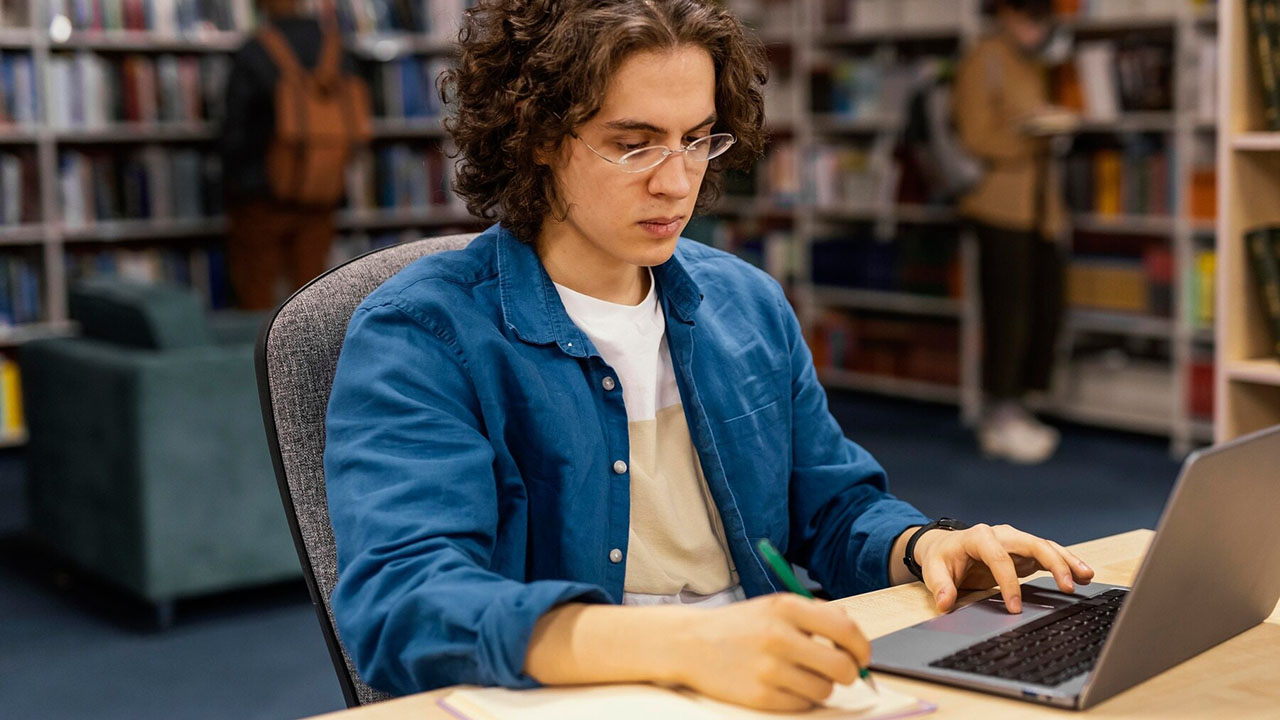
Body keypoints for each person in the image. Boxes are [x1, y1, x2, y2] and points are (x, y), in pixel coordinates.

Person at [324, 0, 1095, 711]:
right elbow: (407, 606)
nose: (678, 181)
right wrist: (687, 645)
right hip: (589, 693)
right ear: (538, 139)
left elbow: (831, 510)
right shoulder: (424, 333)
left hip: (766, 676)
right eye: (634, 145)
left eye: (697, 140)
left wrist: (923, 546)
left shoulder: (746, 303)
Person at [953, 0, 1071, 464]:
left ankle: (1019, 405)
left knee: (1045, 306)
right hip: (998, 203)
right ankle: (999, 413)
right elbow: (976, 135)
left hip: (1041, 206)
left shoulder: (1034, 62)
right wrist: (1036, 134)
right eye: (1027, 18)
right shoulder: (986, 58)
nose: (1034, 29)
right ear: (1005, 14)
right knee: (1008, 311)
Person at [220, 0, 363, 309]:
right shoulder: (337, 49)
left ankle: (255, 357)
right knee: (311, 296)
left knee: (257, 291)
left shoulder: (255, 50)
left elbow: (235, 131)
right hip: (321, 190)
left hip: (261, 193)